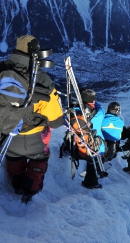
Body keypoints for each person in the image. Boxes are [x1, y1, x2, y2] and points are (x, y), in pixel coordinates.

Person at [4, 35, 64, 203]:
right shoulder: (43, 80)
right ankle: (30, 189)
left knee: (14, 158)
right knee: (40, 158)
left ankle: (16, 184)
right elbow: (56, 121)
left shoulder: (2, 71)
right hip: (35, 138)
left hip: (8, 136)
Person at [78, 89, 106, 189]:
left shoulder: (78, 111)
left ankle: (90, 177)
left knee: (92, 160)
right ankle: (91, 183)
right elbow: (100, 107)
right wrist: (93, 101)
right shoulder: (99, 113)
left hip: (79, 141)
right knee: (94, 161)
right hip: (96, 143)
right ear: (93, 100)